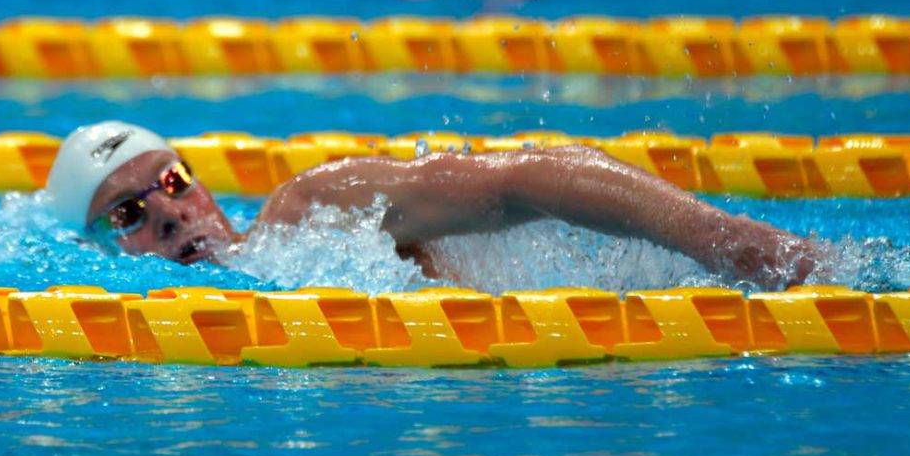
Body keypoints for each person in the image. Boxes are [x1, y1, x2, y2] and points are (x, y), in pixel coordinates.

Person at [45, 121, 817, 289]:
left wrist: (724, 237)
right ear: (97, 254)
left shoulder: (309, 214)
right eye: (127, 216)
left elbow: (528, 176)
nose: (169, 213)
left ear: (200, 184)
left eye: (172, 182)